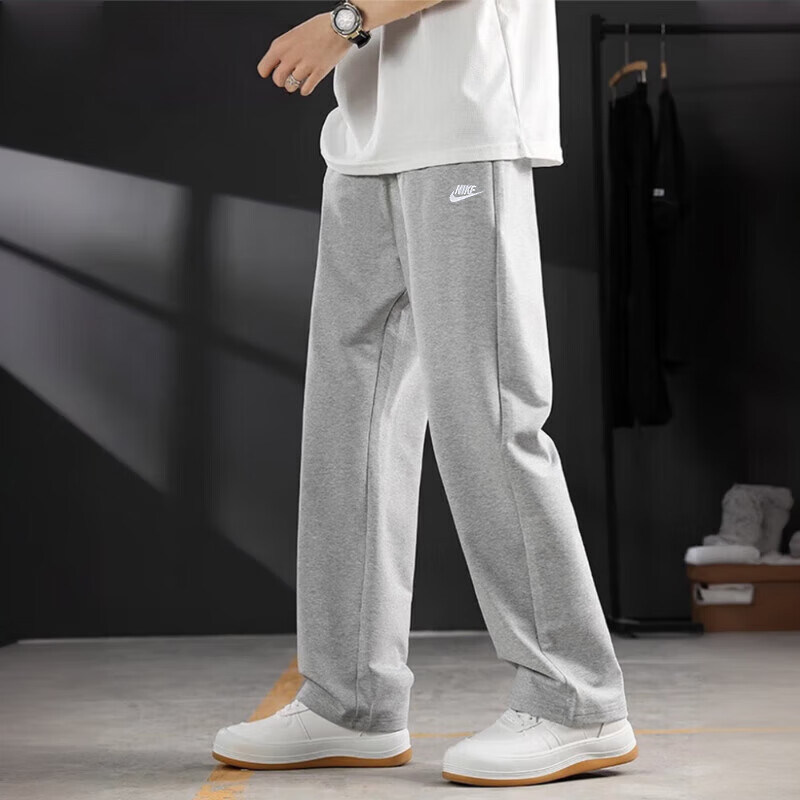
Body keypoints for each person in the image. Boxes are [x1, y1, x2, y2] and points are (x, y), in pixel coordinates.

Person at [212, 0, 638, 787]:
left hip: (463, 123)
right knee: (348, 426)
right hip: (367, 133)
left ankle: (577, 699)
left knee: (488, 413)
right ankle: (350, 700)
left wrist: (342, 23)